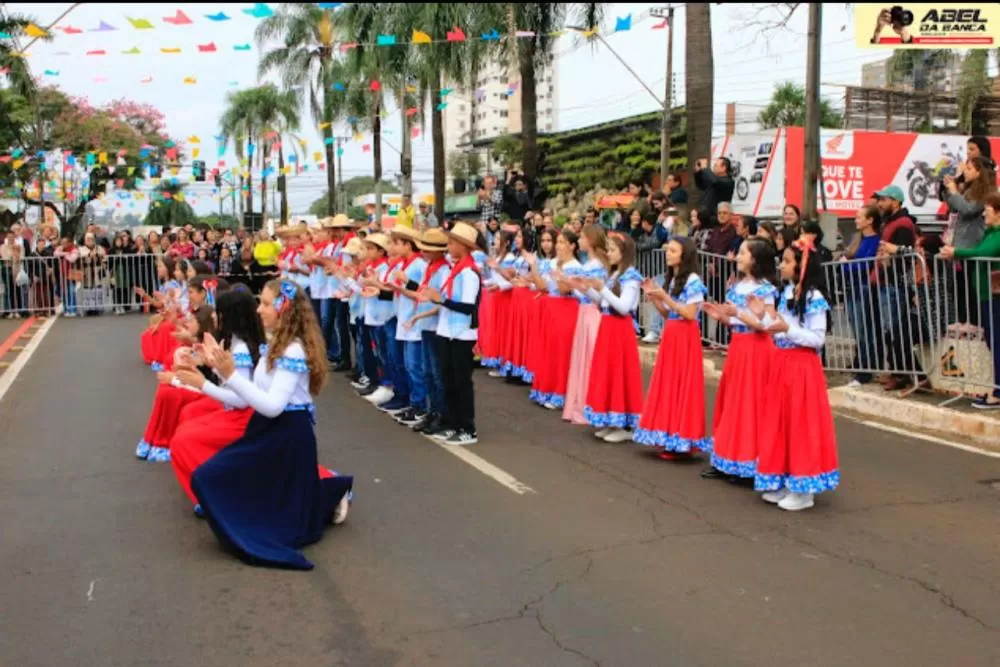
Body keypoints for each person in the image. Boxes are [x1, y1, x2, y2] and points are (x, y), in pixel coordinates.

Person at [191, 279, 354, 570]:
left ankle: (332, 493)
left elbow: (273, 405)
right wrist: (216, 369)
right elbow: (251, 395)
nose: (259, 309)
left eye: (266, 303)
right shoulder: (274, 342)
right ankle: (330, 492)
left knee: (213, 479)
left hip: (286, 434)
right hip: (267, 429)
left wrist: (228, 375)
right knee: (244, 488)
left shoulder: (292, 350)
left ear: (284, 308)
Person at [736, 240, 840, 511]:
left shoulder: (814, 297)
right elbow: (780, 327)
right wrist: (763, 316)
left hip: (802, 367)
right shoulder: (790, 292)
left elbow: (817, 339)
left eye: (788, 261)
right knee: (781, 423)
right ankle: (784, 478)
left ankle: (804, 489)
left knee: (800, 425)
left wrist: (785, 329)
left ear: (801, 266)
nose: (781, 265)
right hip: (783, 363)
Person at [169, 287, 267, 507]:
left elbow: (241, 399)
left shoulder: (240, 349)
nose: (214, 315)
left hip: (244, 418)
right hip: (237, 413)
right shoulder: (235, 342)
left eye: (218, 312)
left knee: (184, 441)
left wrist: (202, 383)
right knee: (187, 426)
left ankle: (215, 493)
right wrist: (207, 365)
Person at [702, 238, 778, 482]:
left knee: (750, 403)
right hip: (738, 346)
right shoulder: (738, 285)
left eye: (743, 253)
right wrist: (723, 316)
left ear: (755, 259)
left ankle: (748, 462)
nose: (737, 256)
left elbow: (766, 326)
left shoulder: (765, 289)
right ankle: (726, 457)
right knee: (731, 400)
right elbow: (737, 320)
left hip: (756, 349)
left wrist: (738, 314)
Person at [634, 237, 710, 458]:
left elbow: (689, 313)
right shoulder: (673, 278)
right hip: (672, 333)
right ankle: (668, 434)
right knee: (669, 383)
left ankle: (682, 437)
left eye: (673, 251)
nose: (668, 254)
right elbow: (669, 313)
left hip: (685, 336)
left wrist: (664, 295)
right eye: (668, 250)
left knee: (682, 384)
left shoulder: (693, 280)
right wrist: (654, 296)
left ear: (684, 254)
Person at [136, 286, 219, 463]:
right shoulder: (205, 337)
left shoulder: (215, 342)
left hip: (213, 393)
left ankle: (161, 441)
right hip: (206, 386)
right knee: (166, 389)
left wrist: (175, 378)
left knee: (169, 392)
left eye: (192, 292)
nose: (189, 295)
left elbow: (211, 380)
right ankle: (153, 440)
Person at [417, 222, 482, 445]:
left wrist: (441, 300)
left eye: (452, 242)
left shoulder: (469, 273)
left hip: (462, 334)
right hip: (446, 331)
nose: (449, 246)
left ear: (463, 247)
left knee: (461, 382)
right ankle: (453, 423)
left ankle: (468, 428)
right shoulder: (455, 270)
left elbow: (467, 306)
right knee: (448, 380)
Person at [581, 234, 644, 443]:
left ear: (623, 252)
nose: (608, 253)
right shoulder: (615, 274)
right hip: (608, 326)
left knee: (619, 372)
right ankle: (610, 418)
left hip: (619, 329)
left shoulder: (631, 276)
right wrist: (587, 288)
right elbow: (603, 302)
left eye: (612, 250)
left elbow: (624, 307)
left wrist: (602, 289)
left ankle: (623, 423)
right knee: (608, 372)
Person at [940, 191, 1000, 409]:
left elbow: (983, 252)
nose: (985, 212)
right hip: (986, 295)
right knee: (993, 343)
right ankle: (996, 388)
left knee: (997, 343)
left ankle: (998, 392)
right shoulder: (991, 232)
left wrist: (955, 251)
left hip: (995, 297)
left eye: (989, 209)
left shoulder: (997, 234)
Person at [528, 229, 582, 410]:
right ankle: (547, 389)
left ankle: (561, 393)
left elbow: (565, 289)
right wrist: (534, 266)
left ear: (572, 246)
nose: (557, 246)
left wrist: (559, 270)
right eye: (557, 242)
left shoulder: (574, 266)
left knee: (562, 352)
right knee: (549, 350)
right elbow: (542, 286)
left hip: (566, 309)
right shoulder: (553, 263)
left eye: (561, 242)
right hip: (552, 308)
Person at [562, 224, 610, 425]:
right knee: (582, 357)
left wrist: (577, 286)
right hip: (584, 311)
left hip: (592, 313)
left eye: (582, 237)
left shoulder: (595, 265)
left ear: (590, 240)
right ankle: (581, 404)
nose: (579, 241)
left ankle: (589, 404)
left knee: (589, 358)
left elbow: (598, 296)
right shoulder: (590, 264)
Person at [407, 229, 451, 434]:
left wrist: (419, 316)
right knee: (428, 371)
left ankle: (441, 414)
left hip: (435, 325)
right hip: (425, 325)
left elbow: (441, 302)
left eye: (428, 249)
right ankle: (432, 412)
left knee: (436, 373)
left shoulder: (443, 271)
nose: (423, 251)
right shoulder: (431, 268)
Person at [384, 226, 428, 423]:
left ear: (407, 244)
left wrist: (402, 285)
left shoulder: (418, 265)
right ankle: (413, 402)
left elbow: (422, 294)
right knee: (407, 365)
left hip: (415, 320)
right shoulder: (405, 264)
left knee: (414, 366)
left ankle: (420, 405)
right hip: (405, 318)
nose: (393, 247)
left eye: (396, 243)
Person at [694, 157, 735, 222]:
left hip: (715, 218)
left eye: (715, 165)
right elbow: (700, 185)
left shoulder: (728, 181)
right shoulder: (714, 180)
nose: (713, 167)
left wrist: (705, 168)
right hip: (704, 216)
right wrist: (698, 172)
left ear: (724, 168)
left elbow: (715, 182)